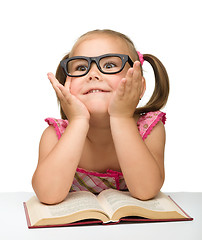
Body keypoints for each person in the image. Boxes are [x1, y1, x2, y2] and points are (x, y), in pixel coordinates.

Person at [32, 29, 169, 204]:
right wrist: (78, 122)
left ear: (139, 86)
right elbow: (47, 195)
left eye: (109, 65)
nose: (93, 74)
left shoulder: (149, 129)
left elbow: (146, 190)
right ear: (67, 84)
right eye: (81, 67)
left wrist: (122, 117)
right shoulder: (55, 136)